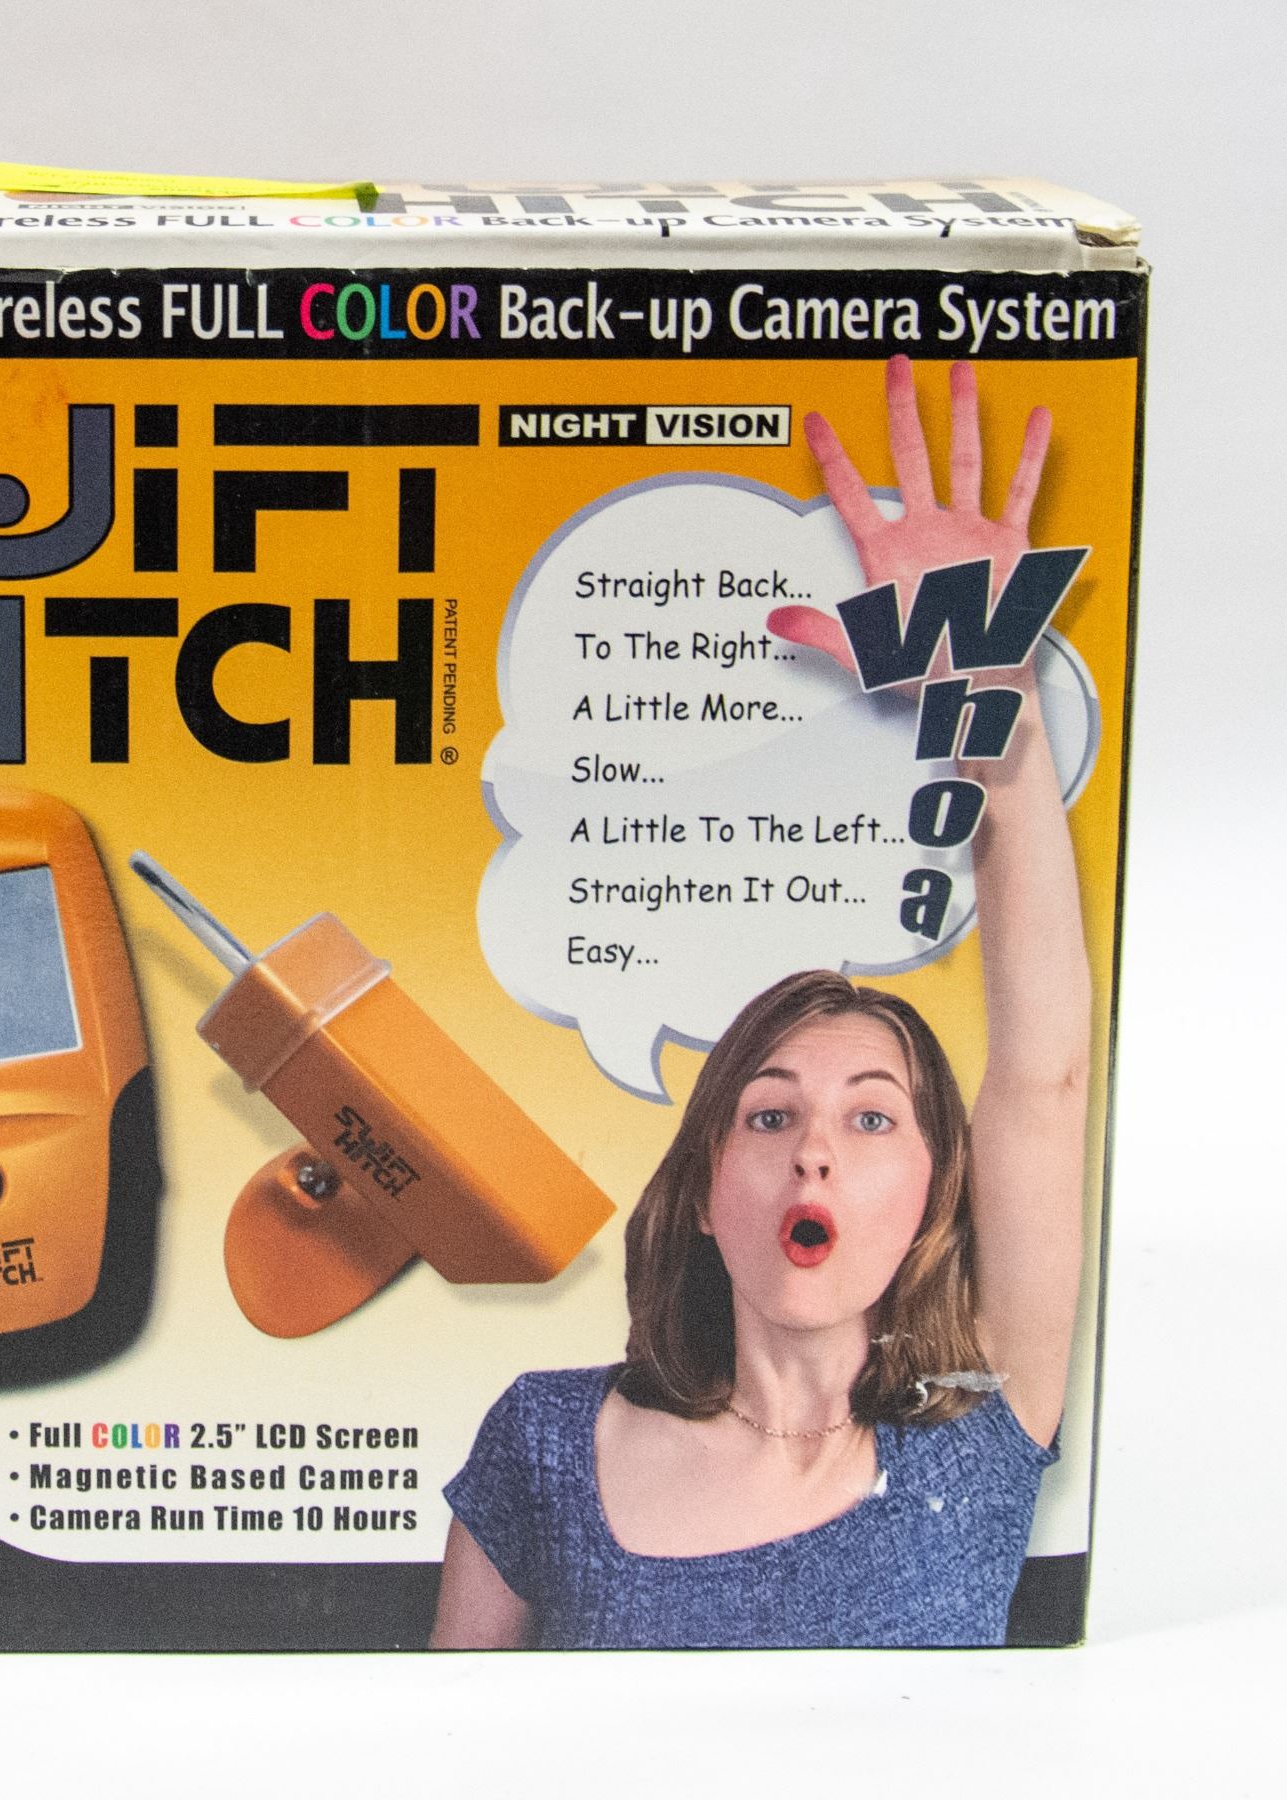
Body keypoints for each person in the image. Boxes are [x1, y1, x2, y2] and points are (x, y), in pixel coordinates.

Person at [432, 357, 1091, 1649]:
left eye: (872, 1117)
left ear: (932, 1199)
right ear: (704, 1190)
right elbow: (448, 1743)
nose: (813, 1149)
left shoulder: (982, 1433)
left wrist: (995, 700)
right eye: (768, 1114)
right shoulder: (544, 1441)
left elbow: (1043, 1079)